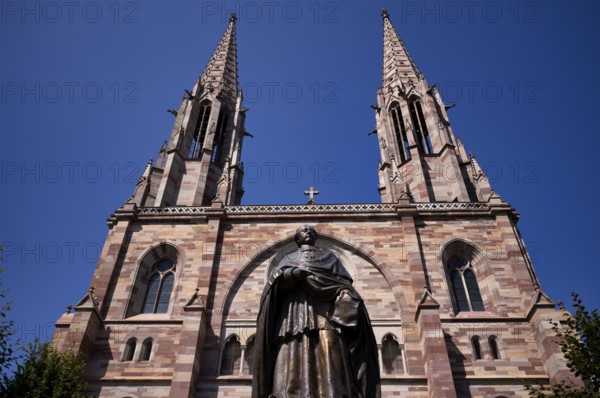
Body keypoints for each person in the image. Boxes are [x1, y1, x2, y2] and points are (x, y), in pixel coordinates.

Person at [252, 225, 381, 398]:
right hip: (294, 315)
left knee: (331, 355)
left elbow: (344, 283)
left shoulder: (330, 257)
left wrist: (345, 295)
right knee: (292, 356)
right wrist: (291, 275)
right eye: (303, 231)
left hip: (326, 315)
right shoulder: (289, 259)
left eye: (311, 230)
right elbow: (274, 285)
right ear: (297, 239)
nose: (308, 232)